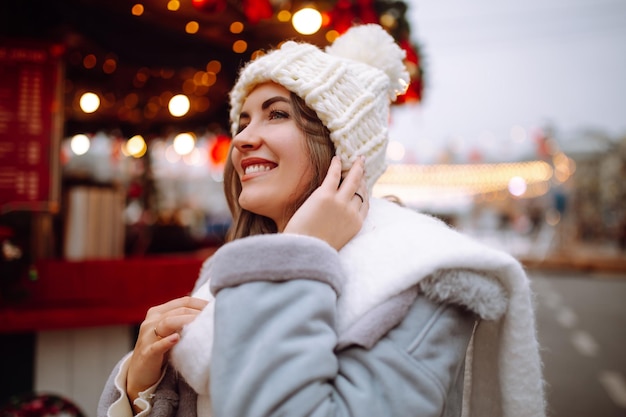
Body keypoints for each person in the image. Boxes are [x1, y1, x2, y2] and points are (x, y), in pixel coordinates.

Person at [99, 24, 546, 417]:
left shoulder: (418, 277)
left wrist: (297, 257)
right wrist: (141, 387)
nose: (242, 138)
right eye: (243, 120)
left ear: (341, 149)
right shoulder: (226, 270)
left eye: (277, 114)